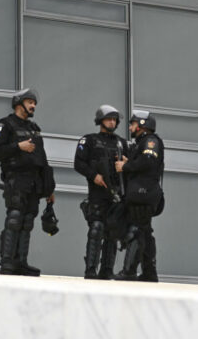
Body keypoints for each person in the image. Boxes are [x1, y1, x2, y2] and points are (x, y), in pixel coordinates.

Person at [0, 88, 55, 276]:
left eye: (34, 103)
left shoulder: (34, 129)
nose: (33, 106)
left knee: (28, 222)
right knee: (15, 218)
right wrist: (18, 146)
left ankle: (21, 262)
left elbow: (42, 159)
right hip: (16, 179)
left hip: (34, 183)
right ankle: (7, 262)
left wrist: (49, 188)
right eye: (30, 102)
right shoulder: (5, 125)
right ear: (19, 104)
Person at [74, 105, 127, 279]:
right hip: (98, 194)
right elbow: (79, 163)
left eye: (114, 119)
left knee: (113, 233)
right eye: (109, 119)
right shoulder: (89, 140)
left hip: (117, 195)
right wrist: (93, 175)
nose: (112, 122)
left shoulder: (121, 143)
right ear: (100, 120)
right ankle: (90, 270)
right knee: (96, 229)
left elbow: (130, 167)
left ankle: (107, 271)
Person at [114, 110, 164, 282]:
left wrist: (125, 167)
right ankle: (149, 273)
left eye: (133, 123)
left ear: (143, 125)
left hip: (144, 195)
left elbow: (148, 161)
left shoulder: (151, 141)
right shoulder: (142, 143)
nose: (130, 127)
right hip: (141, 194)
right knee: (145, 233)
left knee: (137, 231)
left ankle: (129, 271)